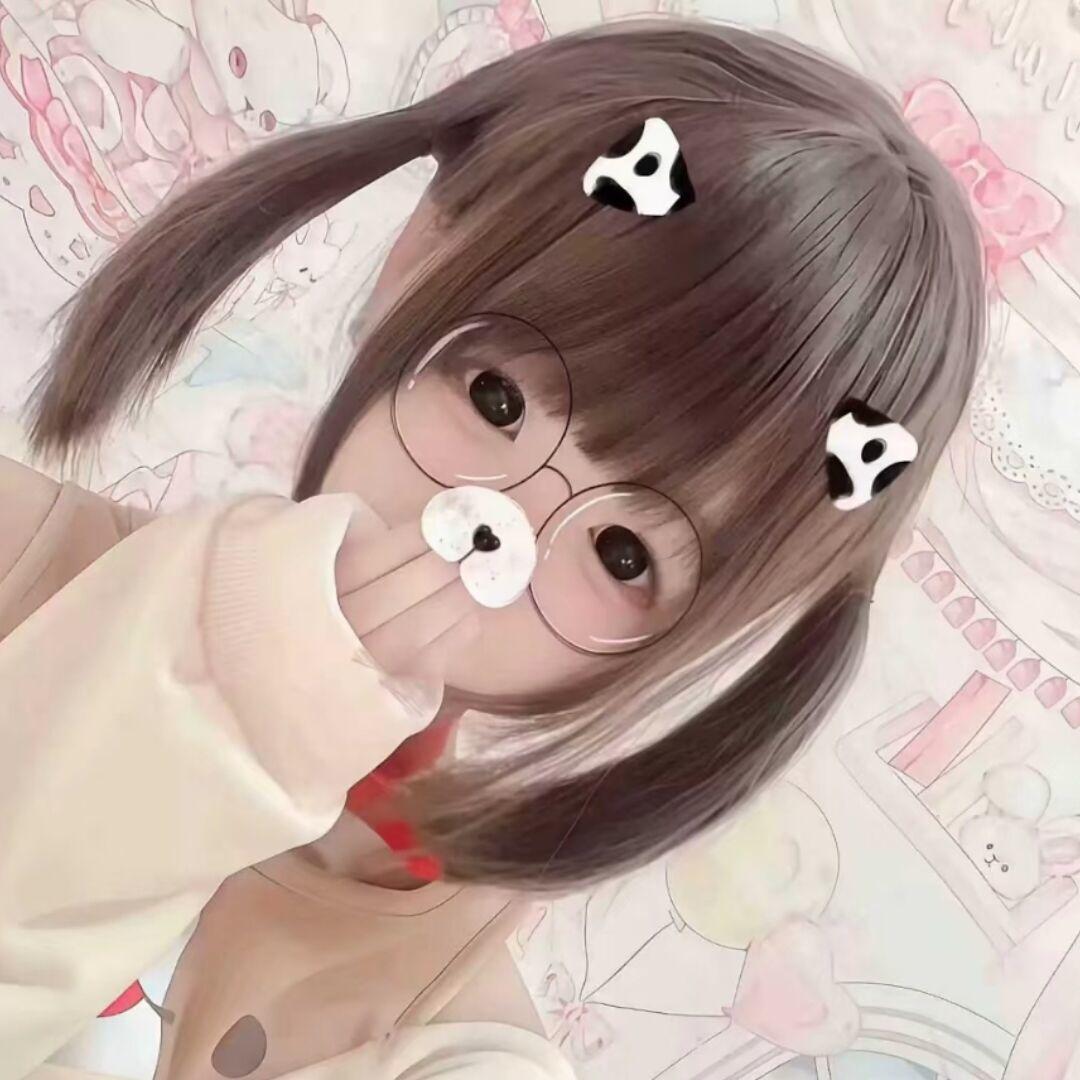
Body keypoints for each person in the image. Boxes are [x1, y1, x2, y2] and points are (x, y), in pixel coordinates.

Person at [0, 18, 984, 1080]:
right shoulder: (22, 555)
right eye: (496, 398)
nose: (498, 524)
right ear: (423, 250)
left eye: (622, 554)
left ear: (707, 630)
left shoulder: (456, 1046)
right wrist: (244, 683)